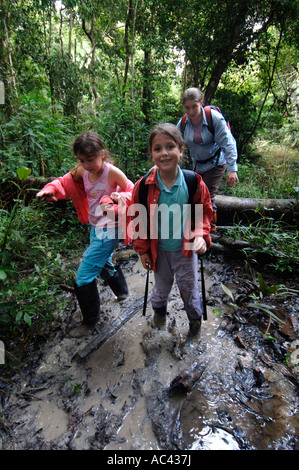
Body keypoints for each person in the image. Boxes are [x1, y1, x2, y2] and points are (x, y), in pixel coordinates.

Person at [37, 131, 134, 337]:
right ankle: (123, 293)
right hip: (95, 226)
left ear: (102, 153)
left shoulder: (112, 173)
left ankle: (90, 322)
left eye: (90, 159)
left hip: (111, 229)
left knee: (83, 276)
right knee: (104, 263)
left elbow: (133, 191)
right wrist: (51, 190)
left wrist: (120, 196)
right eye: (82, 160)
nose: (87, 165)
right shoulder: (82, 171)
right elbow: (65, 182)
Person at [132, 123, 213, 337]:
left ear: (181, 150)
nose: (164, 153)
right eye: (158, 148)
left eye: (170, 146)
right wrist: (142, 251)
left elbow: (204, 211)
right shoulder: (143, 186)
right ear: (151, 153)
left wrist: (201, 236)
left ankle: (194, 328)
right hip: (159, 253)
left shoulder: (192, 182)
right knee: (160, 289)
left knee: (189, 291)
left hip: (185, 251)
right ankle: (159, 318)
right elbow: (138, 220)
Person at [177, 87, 238, 230]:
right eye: (187, 107)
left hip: (216, 163)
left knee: (207, 196)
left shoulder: (214, 118)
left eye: (194, 107)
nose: (191, 111)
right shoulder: (184, 122)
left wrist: (232, 169)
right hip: (198, 165)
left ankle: (209, 228)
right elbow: (173, 142)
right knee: (195, 194)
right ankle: (197, 226)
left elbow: (228, 143)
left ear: (201, 103)